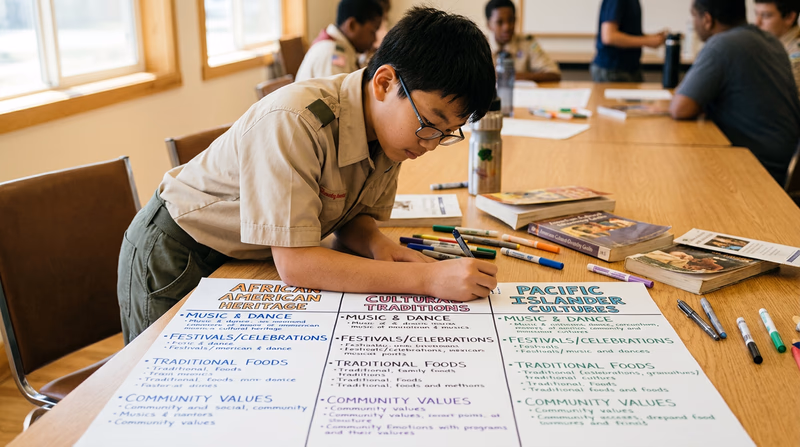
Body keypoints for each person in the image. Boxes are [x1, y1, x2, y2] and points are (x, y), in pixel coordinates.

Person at [117, 7, 498, 344]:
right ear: (385, 83)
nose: (432, 143)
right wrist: (429, 281)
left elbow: (350, 214)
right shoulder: (296, 120)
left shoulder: (394, 132)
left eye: (449, 133)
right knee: (165, 395)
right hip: (178, 252)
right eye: (432, 124)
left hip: (246, 258)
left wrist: (380, 248)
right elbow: (297, 264)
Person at [670, 0, 800, 186]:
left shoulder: (721, 44)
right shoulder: (770, 40)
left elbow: (680, 109)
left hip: (756, 168)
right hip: (784, 163)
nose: (693, 22)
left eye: (694, 16)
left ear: (707, 19)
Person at [295, 0, 383, 81]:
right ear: (352, 25)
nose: (374, 39)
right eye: (372, 32)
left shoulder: (342, 48)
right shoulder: (332, 53)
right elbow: (338, 96)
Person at [484, 0, 561, 82]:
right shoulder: (481, 46)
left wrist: (515, 76)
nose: (507, 27)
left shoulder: (528, 43)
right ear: (489, 25)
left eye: (511, 20)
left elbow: (554, 74)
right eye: (500, 22)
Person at [591, 0, 667, 82]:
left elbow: (629, 32)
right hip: (614, 70)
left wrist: (652, 38)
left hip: (630, 68)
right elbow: (609, 37)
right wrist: (647, 41)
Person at [754, 0, 800, 98]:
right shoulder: (774, 46)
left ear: (790, 17)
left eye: (766, 15)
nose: (757, 23)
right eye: (756, 14)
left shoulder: (795, 53)